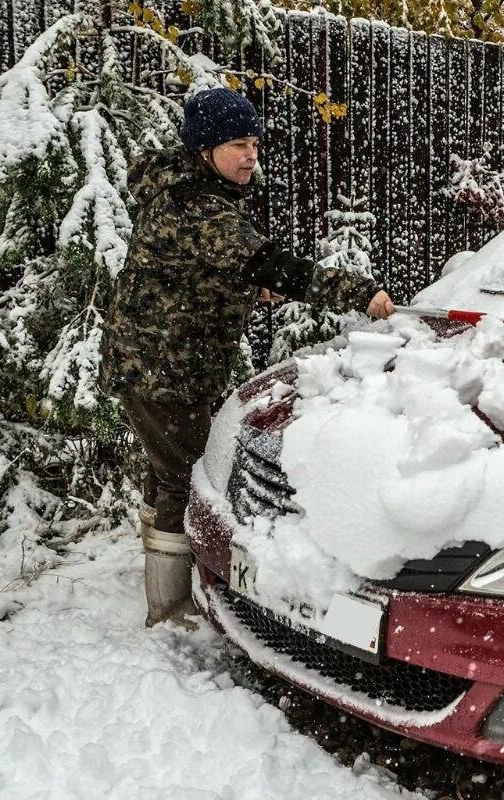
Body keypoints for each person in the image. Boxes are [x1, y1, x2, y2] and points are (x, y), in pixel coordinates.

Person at [99, 88, 394, 626]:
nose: (251, 155)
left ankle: (159, 567)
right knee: (183, 475)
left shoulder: (188, 188)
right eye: (238, 143)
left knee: (166, 465)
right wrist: (362, 293)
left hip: (163, 358)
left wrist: (239, 287)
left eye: (255, 143)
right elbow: (274, 264)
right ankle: (168, 605)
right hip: (162, 366)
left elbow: (192, 269)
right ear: (206, 148)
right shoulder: (196, 205)